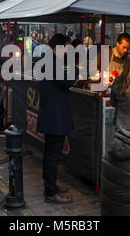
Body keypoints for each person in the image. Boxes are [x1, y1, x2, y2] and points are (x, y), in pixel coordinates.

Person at [39, 33, 78, 204]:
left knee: (51, 153)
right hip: (54, 116)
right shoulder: (52, 63)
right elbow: (69, 80)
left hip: (52, 114)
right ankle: (50, 191)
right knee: (52, 155)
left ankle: (51, 185)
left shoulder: (50, 61)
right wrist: (76, 67)